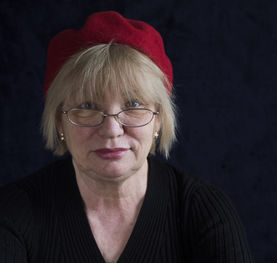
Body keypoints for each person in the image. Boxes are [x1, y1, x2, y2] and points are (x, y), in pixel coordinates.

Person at [0, 11, 253, 263]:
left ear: (158, 118)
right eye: (87, 106)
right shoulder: (13, 212)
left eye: (133, 104)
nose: (111, 129)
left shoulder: (205, 211)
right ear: (59, 122)